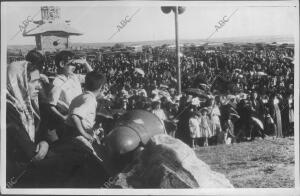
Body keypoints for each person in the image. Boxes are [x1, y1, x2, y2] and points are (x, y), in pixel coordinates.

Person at [6, 60, 108, 188]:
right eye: (33, 81)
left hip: (29, 159)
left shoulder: (21, 105)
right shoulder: (7, 111)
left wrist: (43, 142)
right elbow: (30, 153)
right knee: (80, 157)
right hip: (19, 172)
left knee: (78, 147)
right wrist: (44, 143)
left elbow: (36, 139)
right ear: (17, 83)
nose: (39, 86)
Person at [48, 50, 93, 139]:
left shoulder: (74, 77)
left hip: (81, 117)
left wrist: (85, 63)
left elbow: (93, 77)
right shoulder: (57, 83)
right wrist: (62, 117)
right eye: (71, 64)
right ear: (62, 64)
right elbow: (51, 105)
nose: (75, 67)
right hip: (69, 122)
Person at [65, 71, 107, 142]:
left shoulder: (81, 96)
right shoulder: (90, 100)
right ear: (101, 87)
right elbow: (75, 115)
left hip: (69, 130)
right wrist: (84, 134)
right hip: (77, 133)